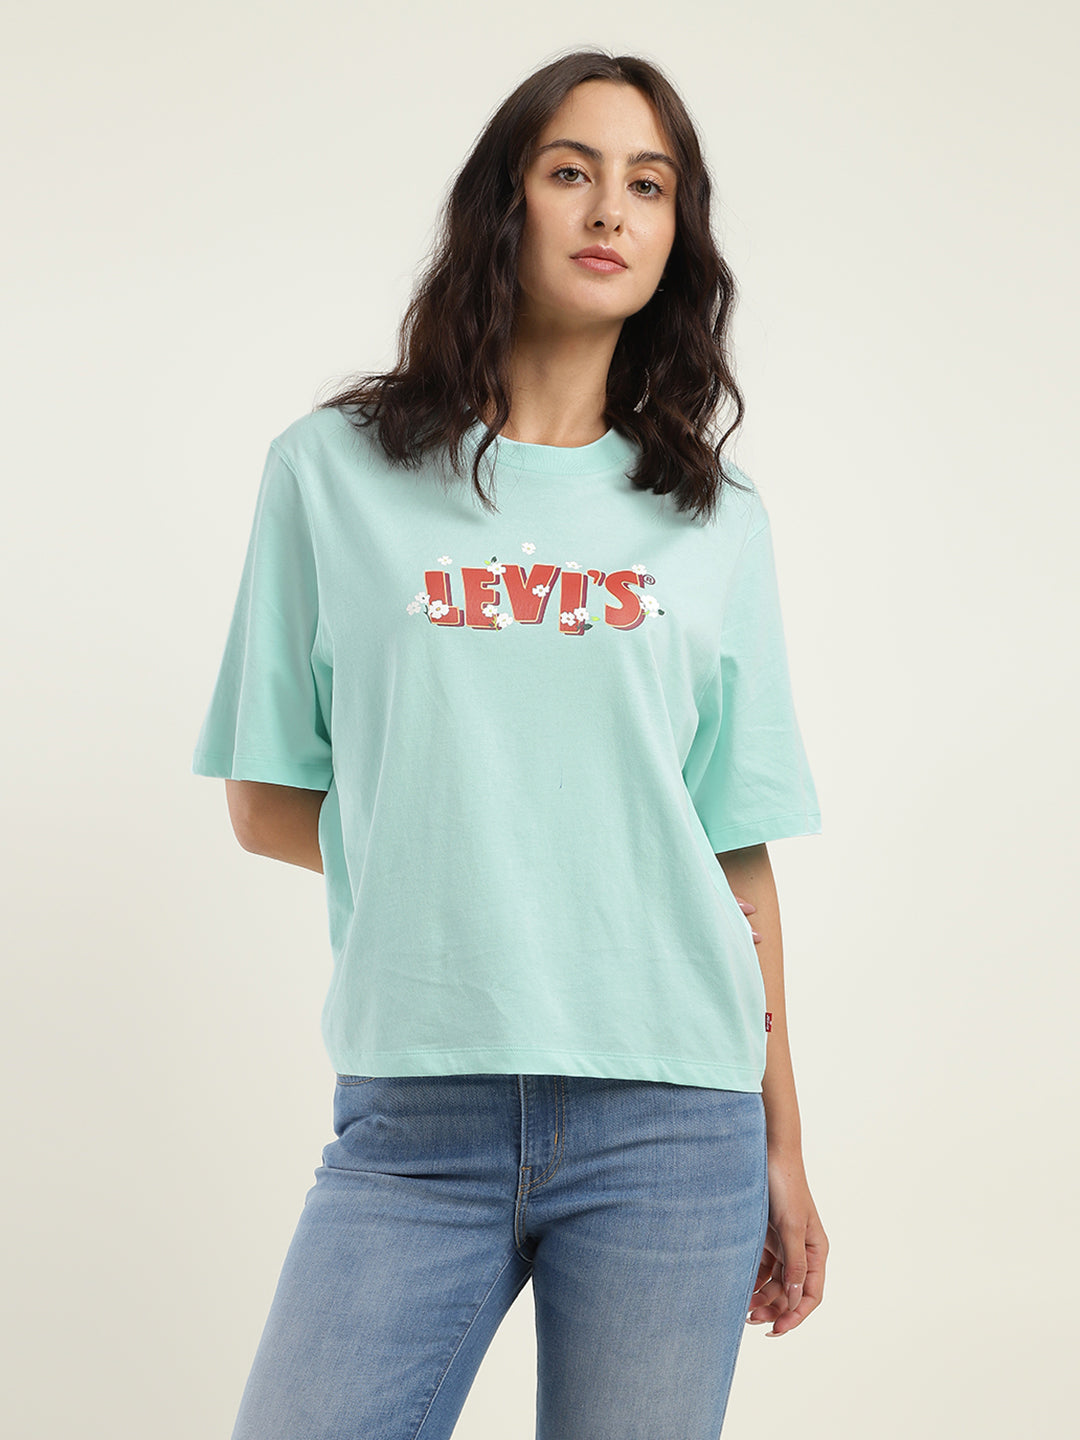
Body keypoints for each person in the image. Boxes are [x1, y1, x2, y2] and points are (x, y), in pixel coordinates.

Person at [191, 47, 829, 1440]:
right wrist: (476, 872)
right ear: (505, 203)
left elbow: (735, 856)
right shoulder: (332, 471)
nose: (609, 209)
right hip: (416, 1118)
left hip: (676, 1117)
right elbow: (264, 798)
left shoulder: (714, 519)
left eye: (648, 184)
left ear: (676, 233)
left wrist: (785, 1145)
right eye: (571, 172)